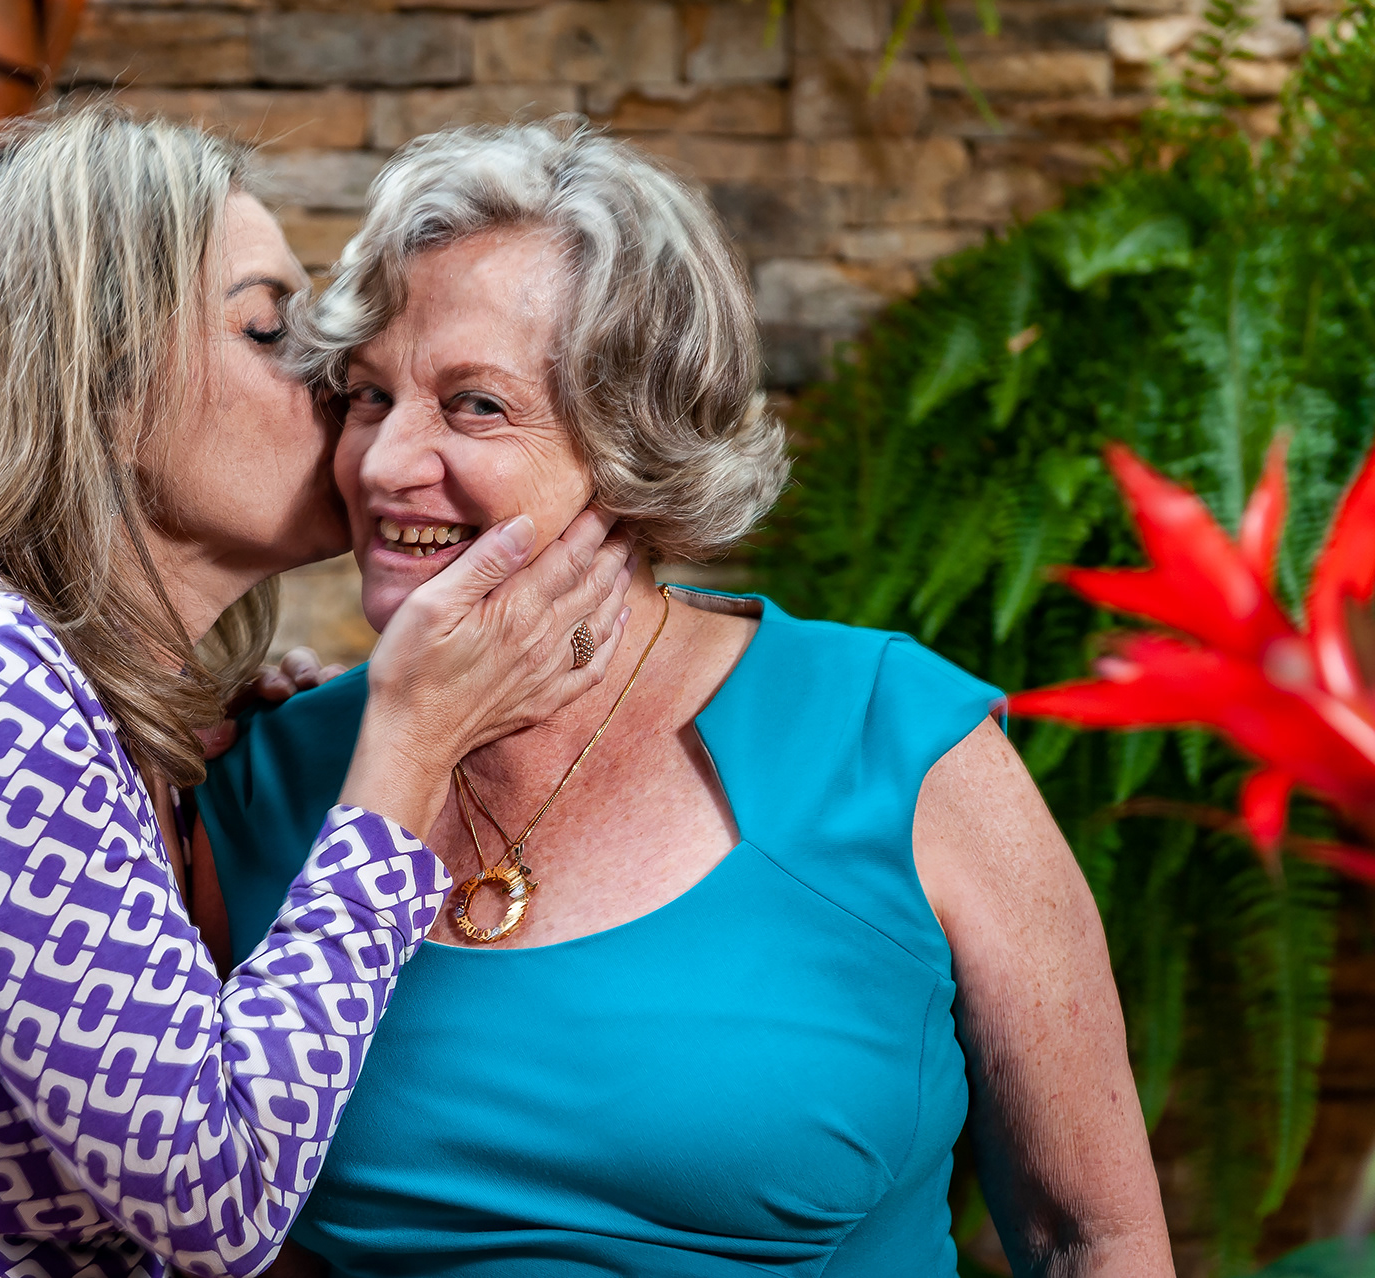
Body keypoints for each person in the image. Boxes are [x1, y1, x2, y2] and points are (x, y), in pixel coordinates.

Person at [0, 106, 634, 1278]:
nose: (331, 373)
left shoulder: (110, 717)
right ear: (105, 392)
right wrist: (409, 748)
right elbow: (216, 1194)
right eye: (267, 328)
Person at [193, 122, 1175, 1276]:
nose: (383, 462)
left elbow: (1091, 1236)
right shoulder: (261, 778)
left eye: (475, 406)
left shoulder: (888, 736)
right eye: (368, 396)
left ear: (633, 436)